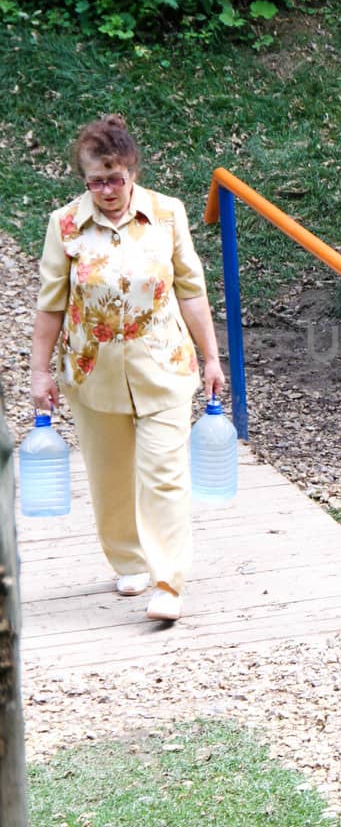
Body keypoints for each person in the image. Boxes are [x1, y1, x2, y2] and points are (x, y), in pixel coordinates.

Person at [29, 115, 225, 624]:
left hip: (162, 365)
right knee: (110, 476)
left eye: (116, 178)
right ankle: (129, 560)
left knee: (164, 473)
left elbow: (191, 290)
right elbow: (51, 305)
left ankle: (168, 581)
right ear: (84, 178)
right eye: (97, 180)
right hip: (91, 371)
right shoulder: (65, 225)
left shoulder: (167, 214)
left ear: (133, 171)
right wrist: (39, 373)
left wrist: (211, 357)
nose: (108, 190)